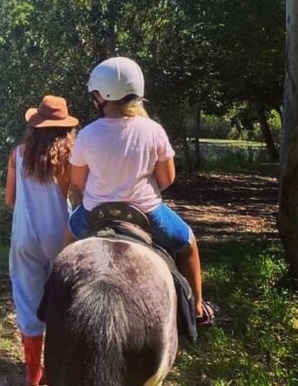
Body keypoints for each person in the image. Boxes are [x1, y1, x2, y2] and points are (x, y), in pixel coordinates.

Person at [67, 57, 217, 327]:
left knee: (67, 235)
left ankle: (54, 296)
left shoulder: (87, 134)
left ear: (102, 95)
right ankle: (196, 308)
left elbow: (78, 180)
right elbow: (167, 178)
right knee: (188, 244)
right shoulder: (154, 130)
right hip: (147, 214)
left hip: (94, 215)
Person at [5, 95, 78, 386]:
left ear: (35, 127)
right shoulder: (71, 155)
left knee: (27, 301)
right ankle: (61, 367)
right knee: (65, 301)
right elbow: (79, 195)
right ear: (65, 128)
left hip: (25, 235)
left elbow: (10, 199)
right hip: (62, 235)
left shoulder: (18, 154)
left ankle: (34, 373)